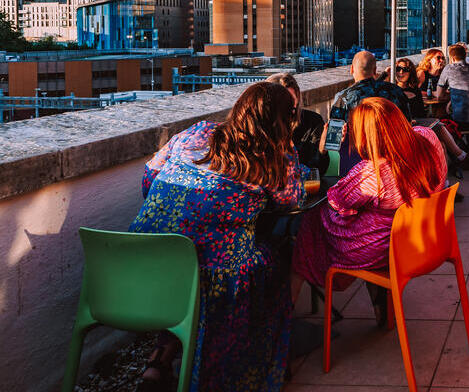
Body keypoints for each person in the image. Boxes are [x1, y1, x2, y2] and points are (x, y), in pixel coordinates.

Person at [132, 83, 304, 391]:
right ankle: (239, 365)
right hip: (209, 276)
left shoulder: (194, 132)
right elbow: (292, 202)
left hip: (139, 264)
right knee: (273, 259)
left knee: (193, 262)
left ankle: (161, 357)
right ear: (283, 119)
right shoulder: (274, 156)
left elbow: (148, 179)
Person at [292, 98, 447, 324]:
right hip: (427, 239)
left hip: (388, 248)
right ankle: (380, 302)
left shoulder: (373, 173)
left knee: (310, 225)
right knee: (369, 216)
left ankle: (287, 309)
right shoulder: (427, 136)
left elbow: (337, 199)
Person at [330, 51, 413, 176]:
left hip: (357, 168)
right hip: (396, 163)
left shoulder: (343, 98)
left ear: (352, 69)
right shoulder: (395, 91)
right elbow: (408, 125)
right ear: (374, 70)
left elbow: (333, 141)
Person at [267, 72, 327, 174]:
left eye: (292, 98)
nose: (289, 104)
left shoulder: (312, 121)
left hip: (302, 186)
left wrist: (322, 150)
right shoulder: (262, 125)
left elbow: (317, 172)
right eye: (283, 100)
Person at [436, 44, 469, 155]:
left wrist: (451, 97)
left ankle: (461, 152)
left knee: (443, 121)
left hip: (462, 121)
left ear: (452, 58)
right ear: (465, 55)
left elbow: (439, 95)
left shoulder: (449, 69)